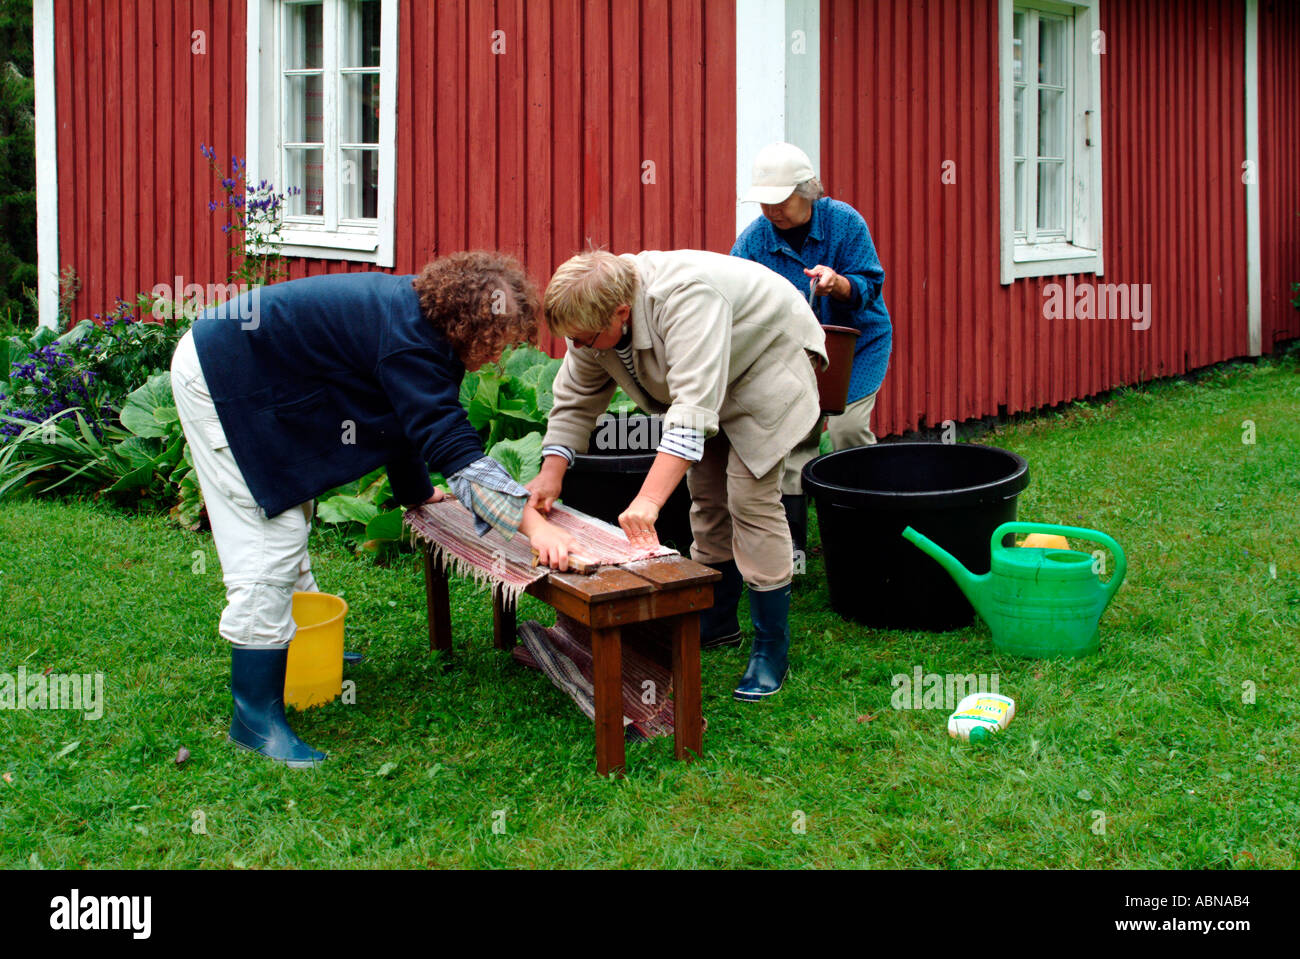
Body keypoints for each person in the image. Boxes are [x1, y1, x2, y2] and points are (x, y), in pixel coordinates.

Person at [170, 251, 577, 768]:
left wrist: (415, 492)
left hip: (252, 367)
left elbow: (405, 416)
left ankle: (297, 647)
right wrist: (534, 528)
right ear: (469, 325)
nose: (497, 356)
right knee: (268, 538)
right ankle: (254, 716)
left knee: (292, 512)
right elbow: (452, 447)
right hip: (223, 378)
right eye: (497, 341)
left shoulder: (422, 324)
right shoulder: (411, 342)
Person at [525, 250, 827, 701]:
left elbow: (689, 414)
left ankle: (771, 646)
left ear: (622, 313)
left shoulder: (688, 299)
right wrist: (551, 474)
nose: (580, 347)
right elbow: (574, 400)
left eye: (586, 338)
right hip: (710, 376)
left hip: (768, 358)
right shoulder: (589, 322)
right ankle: (718, 620)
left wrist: (647, 501)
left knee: (749, 497)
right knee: (705, 495)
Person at [731, 142, 892, 558]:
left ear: (808, 191)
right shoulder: (753, 241)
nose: (772, 211)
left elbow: (871, 283)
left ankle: (868, 528)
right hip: (795, 352)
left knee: (847, 430)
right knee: (794, 444)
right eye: (764, 203)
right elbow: (734, 292)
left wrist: (839, 283)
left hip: (855, 345)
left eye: (780, 201)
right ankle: (793, 552)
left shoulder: (844, 223)